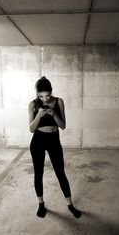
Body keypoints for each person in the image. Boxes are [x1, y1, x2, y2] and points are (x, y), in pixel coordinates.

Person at [28, 76, 81, 218]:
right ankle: (41, 204)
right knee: (38, 173)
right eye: (41, 96)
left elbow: (63, 126)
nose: (45, 99)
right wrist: (39, 116)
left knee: (60, 173)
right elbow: (31, 129)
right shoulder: (33, 104)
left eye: (47, 95)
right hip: (38, 141)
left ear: (51, 92)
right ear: (37, 94)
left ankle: (70, 205)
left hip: (53, 140)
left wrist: (53, 113)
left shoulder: (59, 101)